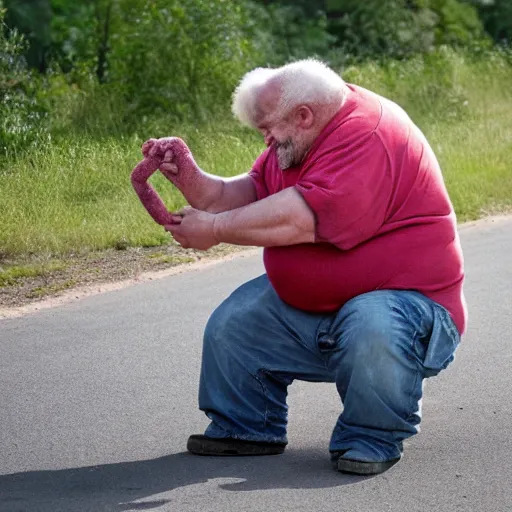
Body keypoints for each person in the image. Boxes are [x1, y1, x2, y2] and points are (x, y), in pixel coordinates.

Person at [139, 58, 467, 476]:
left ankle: (373, 432)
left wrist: (216, 229)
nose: (267, 142)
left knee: (373, 328)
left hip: (414, 308)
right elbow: (251, 192)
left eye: (268, 131)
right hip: (329, 306)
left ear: (303, 115)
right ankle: (245, 426)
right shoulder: (303, 137)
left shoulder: (366, 134)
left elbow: (301, 217)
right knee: (235, 324)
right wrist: (190, 179)